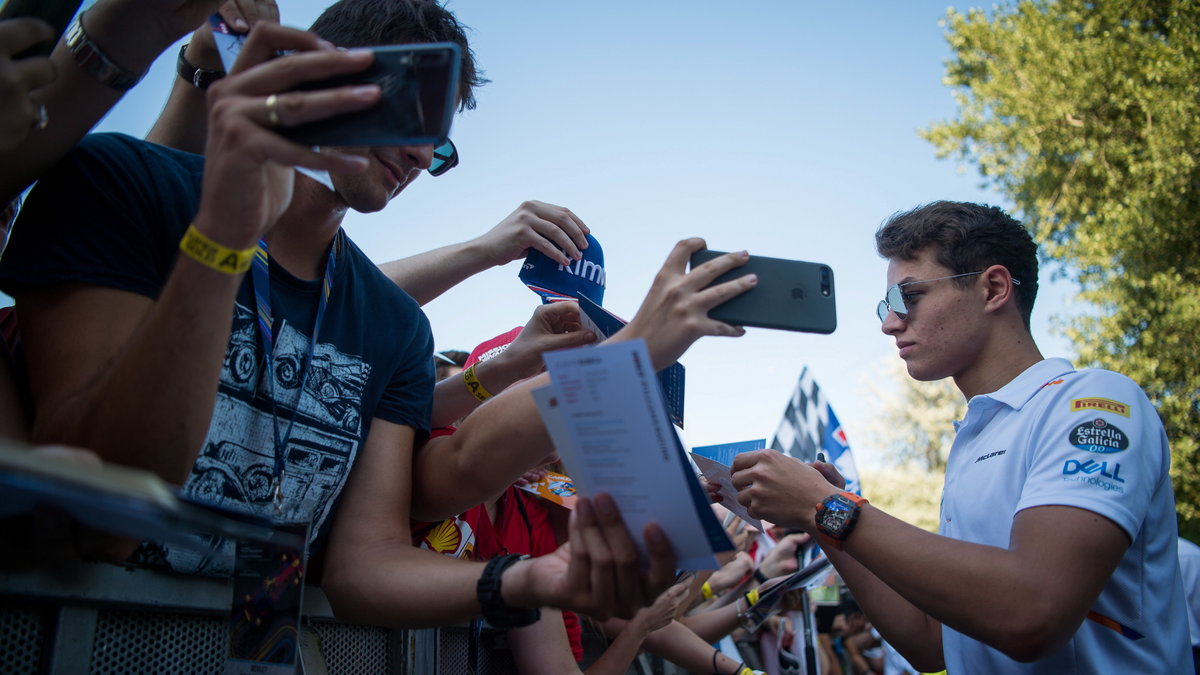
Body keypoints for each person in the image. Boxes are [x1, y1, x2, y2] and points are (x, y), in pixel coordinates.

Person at [0, 0, 756, 627]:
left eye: (440, 140)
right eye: (409, 98)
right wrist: (222, 244)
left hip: (249, 643)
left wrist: (527, 581)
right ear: (317, 66)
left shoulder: (395, 324)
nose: (421, 150)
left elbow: (365, 563)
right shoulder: (124, 184)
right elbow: (98, 499)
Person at [728, 201, 1190, 672]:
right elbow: (931, 644)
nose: (890, 323)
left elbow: (1033, 611)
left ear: (993, 288)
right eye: (886, 306)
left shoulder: (1091, 401)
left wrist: (826, 507)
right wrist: (823, 515)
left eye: (909, 296)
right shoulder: (972, 440)